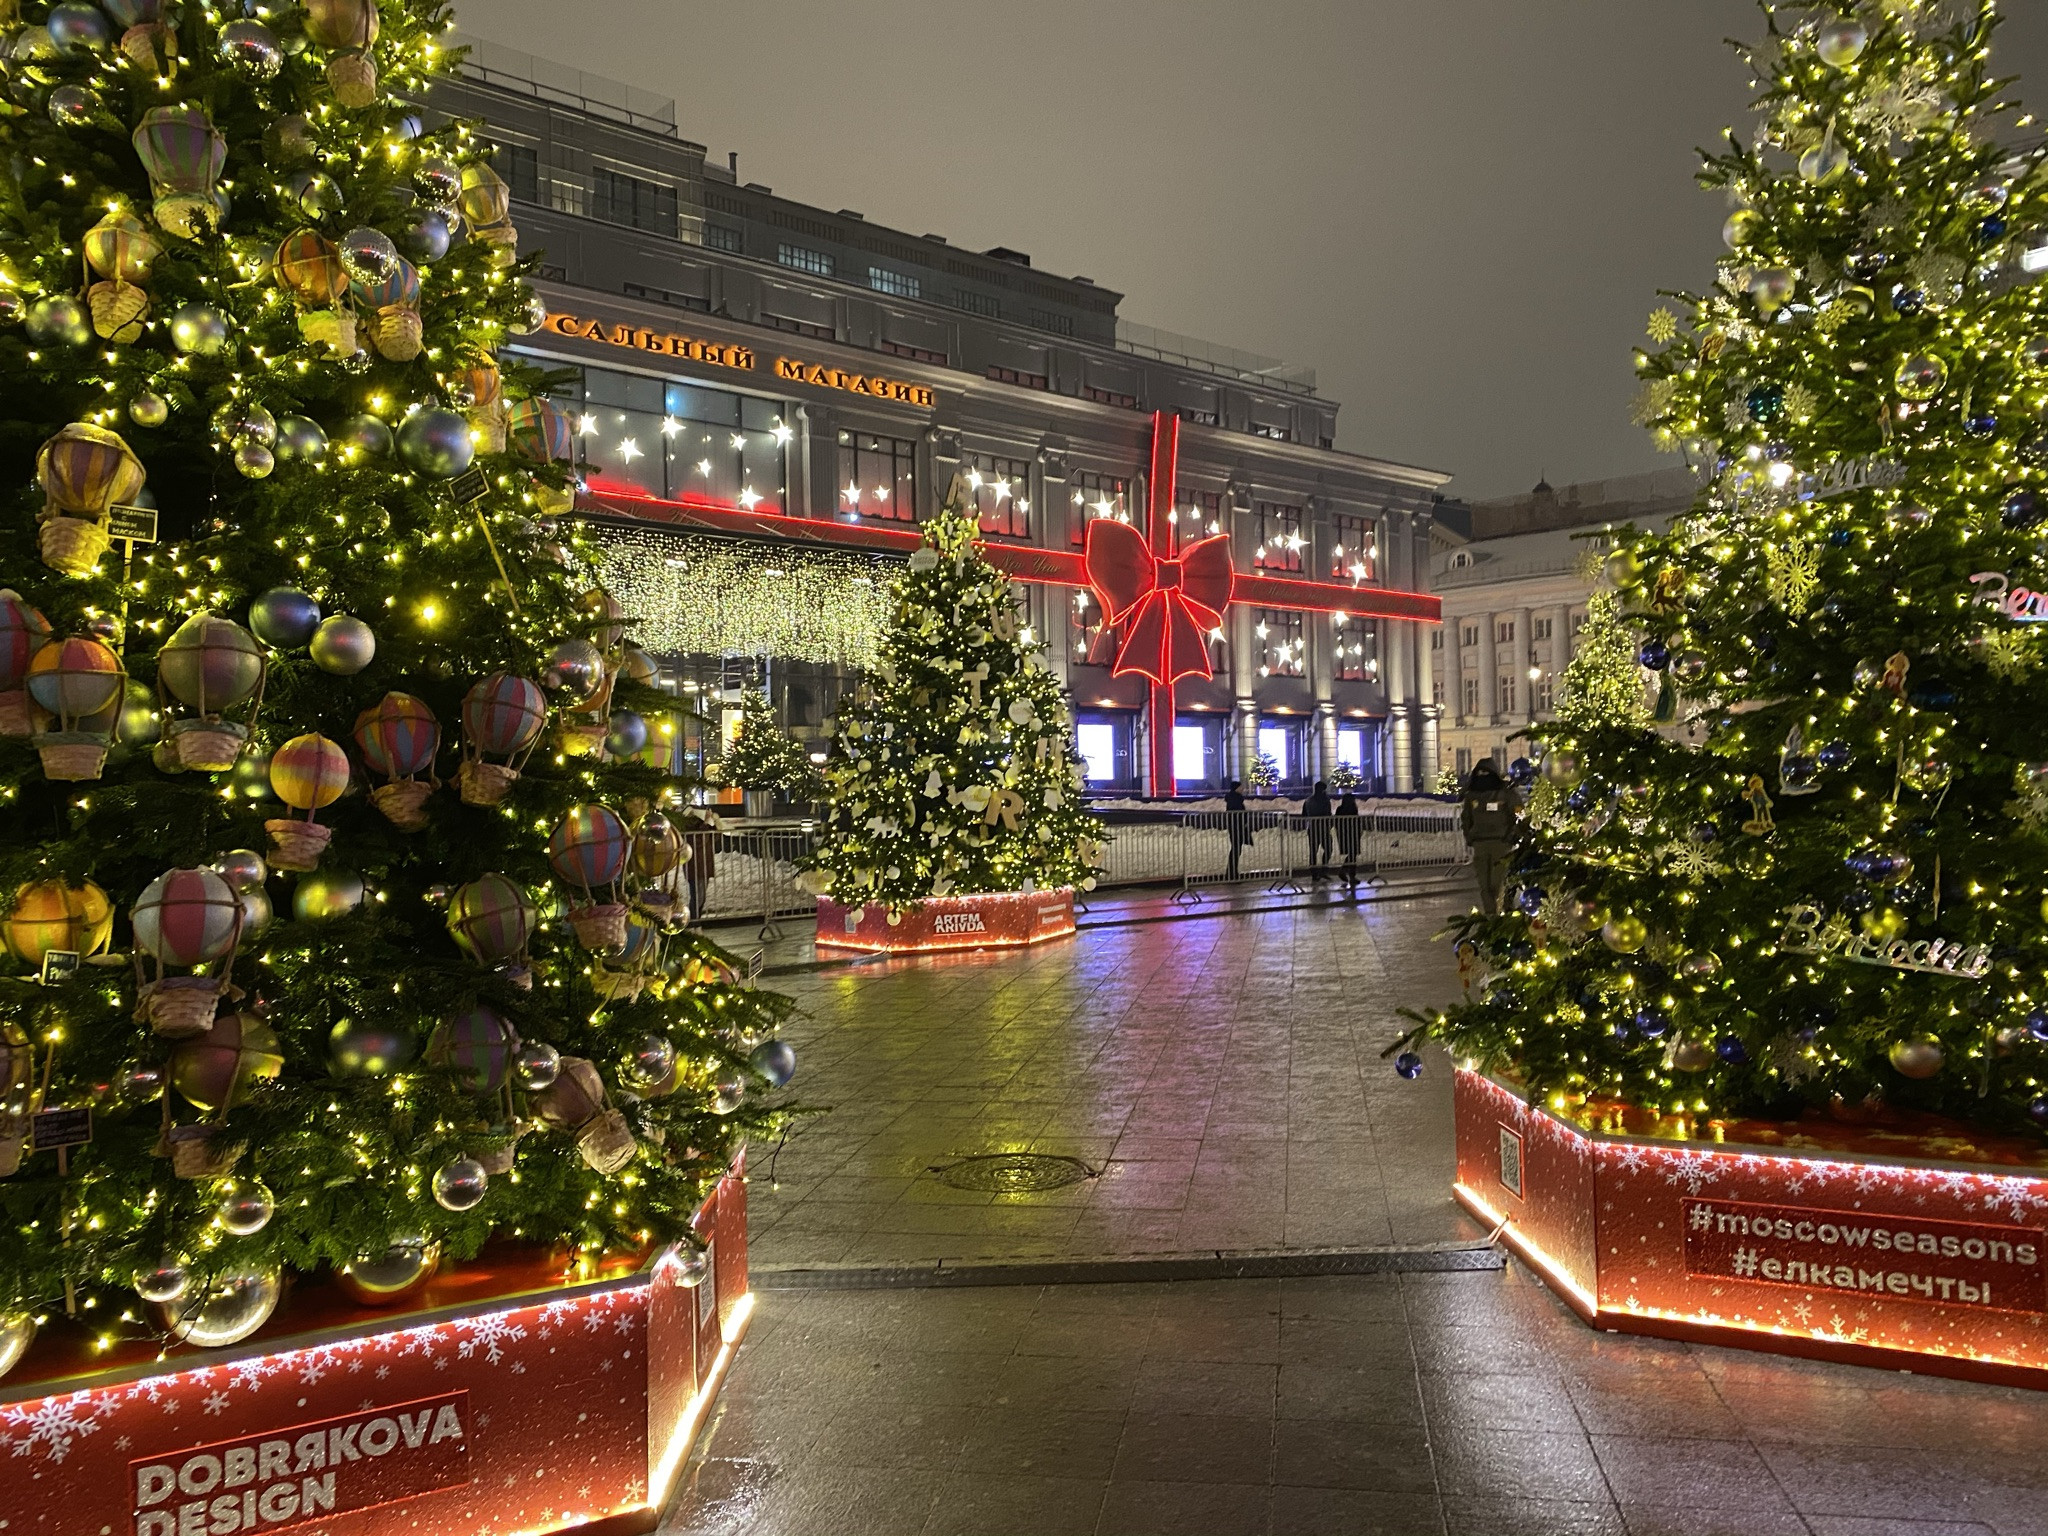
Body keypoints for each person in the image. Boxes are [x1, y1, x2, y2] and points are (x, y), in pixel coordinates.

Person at [1459, 759, 1520, 915]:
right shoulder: (1472, 795)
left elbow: (1519, 816)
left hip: (1501, 844)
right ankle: (1491, 917)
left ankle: (1505, 913)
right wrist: (1469, 837)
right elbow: (1466, 818)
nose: (1483, 776)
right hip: (1480, 844)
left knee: (1498, 883)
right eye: (1480, 773)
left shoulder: (1506, 793)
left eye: (1486, 772)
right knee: (1484, 886)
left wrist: (1511, 836)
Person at [675, 805, 721, 923]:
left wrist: (714, 824)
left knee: (702, 897)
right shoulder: (689, 828)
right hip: (694, 866)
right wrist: (705, 824)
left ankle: (695, 921)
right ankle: (693, 923)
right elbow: (699, 841)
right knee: (697, 897)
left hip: (704, 864)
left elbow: (714, 838)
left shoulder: (703, 826)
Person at [1302, 779, 1333, 876]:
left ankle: (1315, 871)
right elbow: (1328, 813)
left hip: (1314, 828)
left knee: (1314, 851)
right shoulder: (1325, 800)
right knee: (1327, 849)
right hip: (1323, 828)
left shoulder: (1308, 801)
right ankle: (1323, 868)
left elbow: (1304, 815)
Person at [1334, 790, 1363, 891]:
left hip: (1344, 834)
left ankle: (1348, 873)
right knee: (1352, 855)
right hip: (1353, 834)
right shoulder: (1353, 809)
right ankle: (1346, 872)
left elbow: (1336, 821)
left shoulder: (1340, 809)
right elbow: (1357, 821)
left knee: (1352, 855)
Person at [1223, 779, 1251, 879]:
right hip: (1236, 827)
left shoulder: (1235, 798)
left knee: (1236, 849)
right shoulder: (1235, 799)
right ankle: (1232, 873)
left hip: (1236, 826)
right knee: (1236, 849)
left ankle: (1232, 872)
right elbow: (1237, 813)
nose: (1242, 788)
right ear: (1236, 788)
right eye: (1240, 787)